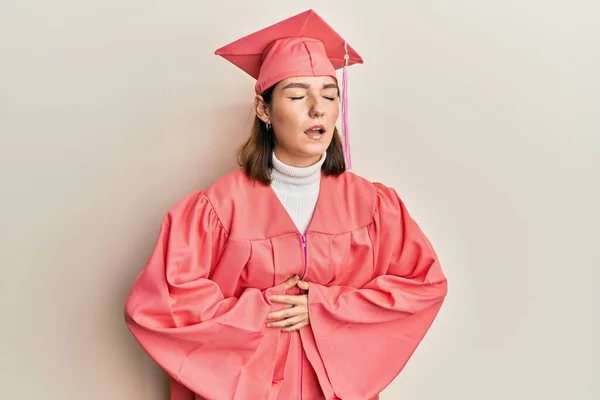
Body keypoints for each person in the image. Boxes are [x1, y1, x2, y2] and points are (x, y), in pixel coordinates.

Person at [124, 9, 448, 400]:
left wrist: (326, 307)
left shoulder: (373, 206)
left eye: (329, 95)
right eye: (297, 95)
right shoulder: (218, 208)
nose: (318, 108)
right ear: (264, 110)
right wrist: (258, 311)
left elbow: (422, 286)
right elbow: (162, 304)